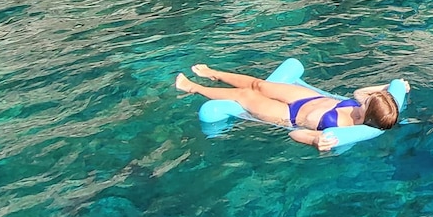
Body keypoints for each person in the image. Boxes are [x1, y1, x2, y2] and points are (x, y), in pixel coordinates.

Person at [174, 64, 407, 149]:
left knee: (244, 95)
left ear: (368, 114)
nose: (368, 97)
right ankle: (214, 74)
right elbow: (360, 93)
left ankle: (193, 88)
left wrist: (315, 141)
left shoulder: (342, 128)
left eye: (371, 100)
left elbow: (296, 134)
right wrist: (389, 87)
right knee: (259, 85)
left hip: (290, 115)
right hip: (309, 98)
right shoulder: (360, 105)